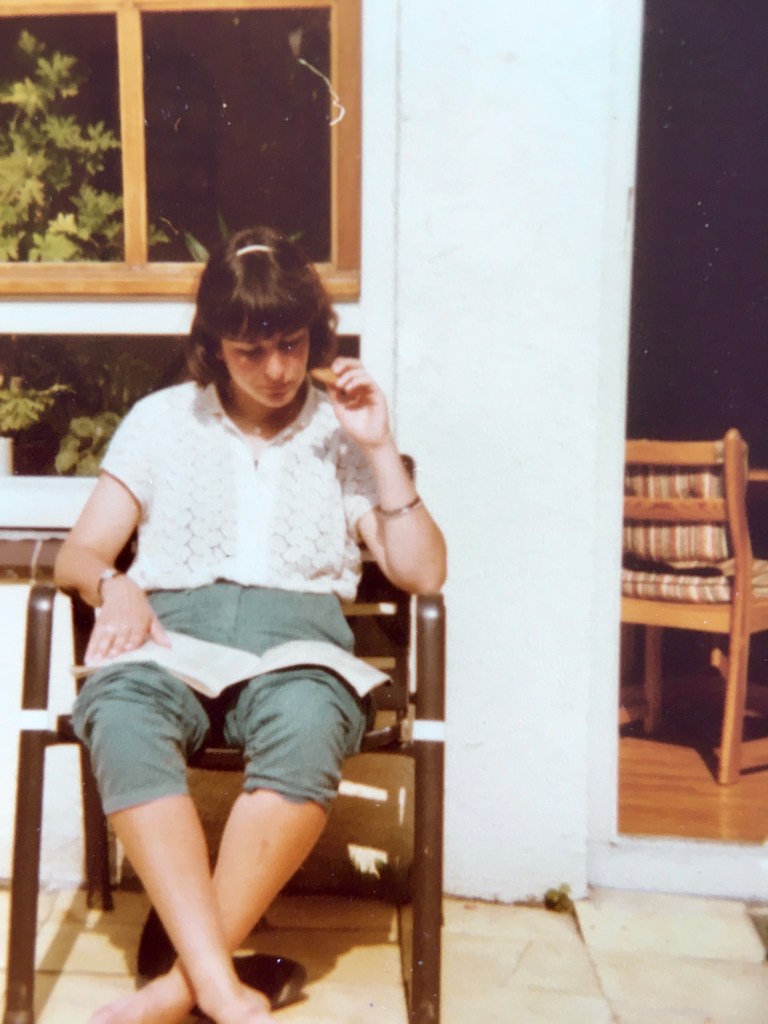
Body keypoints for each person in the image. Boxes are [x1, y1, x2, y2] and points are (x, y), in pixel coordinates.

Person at [55, 225, 447, 1024]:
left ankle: (176, 990)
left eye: (292, 345)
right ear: (213, 348)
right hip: (172, 638)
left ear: (315, 337)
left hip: (298, 647)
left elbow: (423, 573)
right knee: (119, 710)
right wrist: (112, 584)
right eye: (250, 351)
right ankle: (219, 985)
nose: (276, 370)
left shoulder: (341, 433)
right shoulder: (162, 421)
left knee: (308, 723)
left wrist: (380, 448)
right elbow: (80, 551)